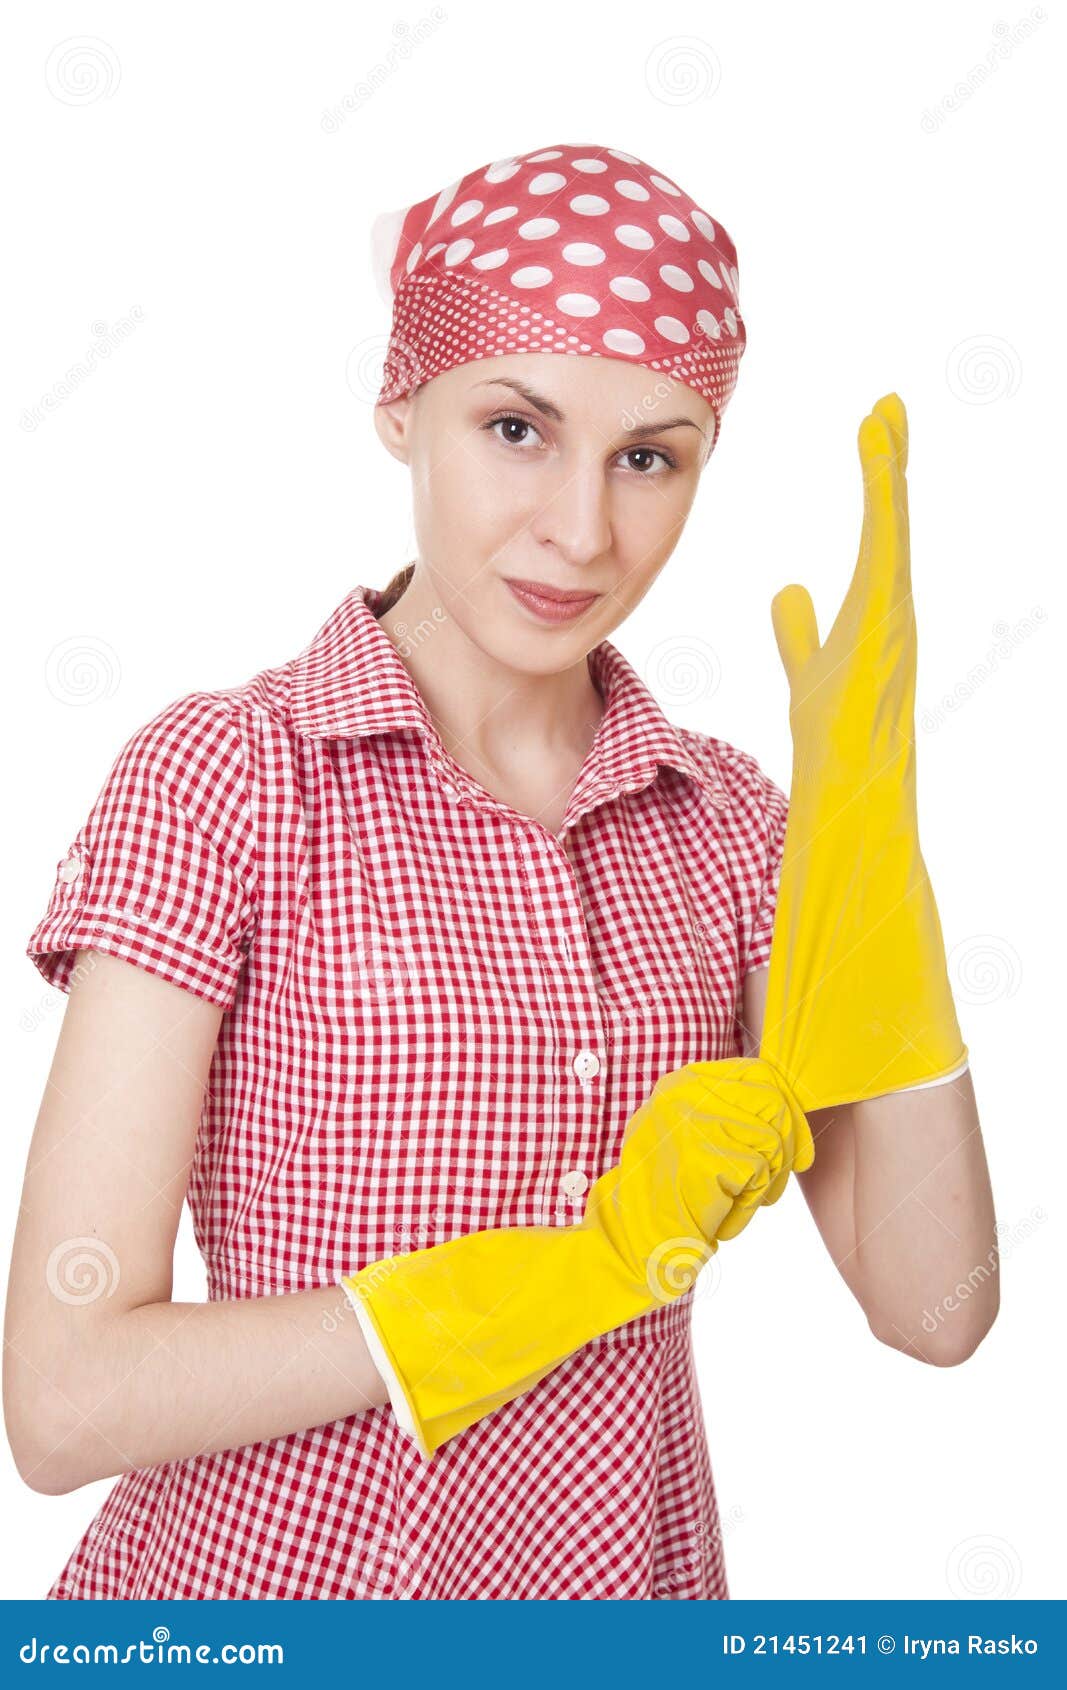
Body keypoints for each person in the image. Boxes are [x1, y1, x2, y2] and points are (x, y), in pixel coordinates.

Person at [4, 141, 996, 1601]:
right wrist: (570, 1274)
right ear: (400, 405)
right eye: (517, 428)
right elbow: (63, 1399)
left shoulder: (728, 824)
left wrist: (873, 852)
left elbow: (934, 1306)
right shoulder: (227, 783)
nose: (582, 531)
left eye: (649, 456)